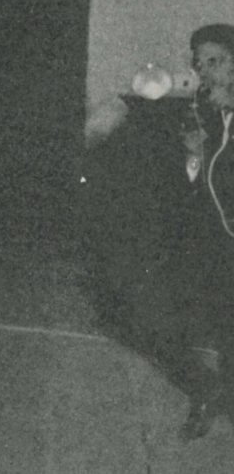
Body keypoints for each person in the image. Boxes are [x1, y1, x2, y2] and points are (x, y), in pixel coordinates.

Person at [133, 23, 234, 441]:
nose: (204, 71)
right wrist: (194, 155)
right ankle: (212, 395)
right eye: (199, 63)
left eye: (215, 61)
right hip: (213, 237)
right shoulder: (205, 110)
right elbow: (201, 181)